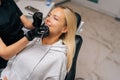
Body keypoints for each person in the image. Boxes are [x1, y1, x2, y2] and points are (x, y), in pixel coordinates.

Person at [1, 6, 77, 80]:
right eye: (49, 15)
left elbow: (27, 24)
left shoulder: (59, 58)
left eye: (55, 18)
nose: (47, 19)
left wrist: (34, 24)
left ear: (64, 29)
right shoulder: (35, 40)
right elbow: (12, 59)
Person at [0, 0, 45, 69]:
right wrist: (29, 36)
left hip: (23, 43)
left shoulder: (8, 1)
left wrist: (35, 23)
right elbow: (5, 54)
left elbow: (27, 24)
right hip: (8, 56)